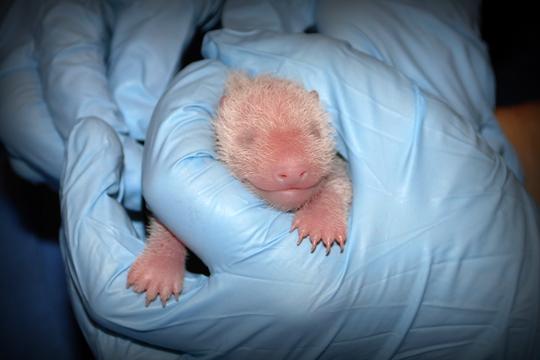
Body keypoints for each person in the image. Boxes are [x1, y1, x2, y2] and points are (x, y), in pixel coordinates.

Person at [2, 0, 538, 358]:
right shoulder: (203, 149)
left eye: (310, 131)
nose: (292, 161)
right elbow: (171, 215)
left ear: (322, 114)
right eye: (252, 141)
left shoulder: (331, 148)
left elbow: (339, 176)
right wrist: (164, 254)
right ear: (215, 133)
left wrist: (325, 203)